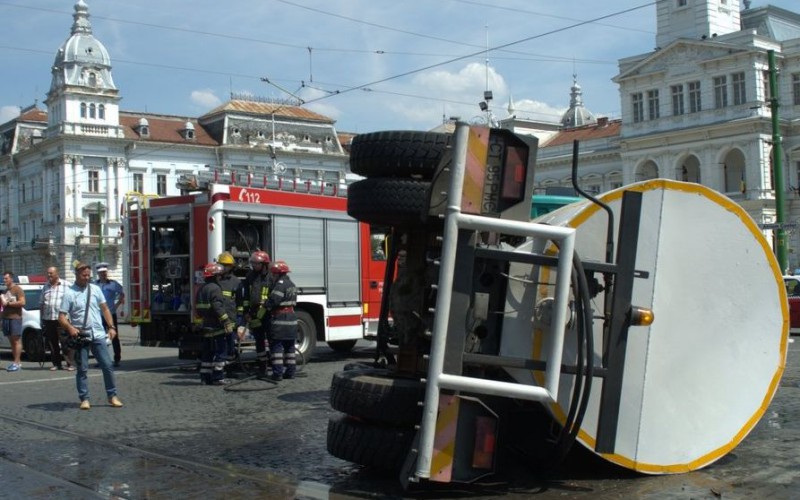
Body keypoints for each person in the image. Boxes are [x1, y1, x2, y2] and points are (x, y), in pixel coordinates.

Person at [59, 262, 123, 410]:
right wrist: (70, 328)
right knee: (82, 369)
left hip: (98, 333)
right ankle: (84, 398)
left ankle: (112, 395)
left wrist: (111, 326)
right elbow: (61, 317)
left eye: (88, 275)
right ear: (77, 274)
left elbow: (105, 308)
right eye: (84, 275)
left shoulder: (95, 289)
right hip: (81, 335)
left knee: (107, 365)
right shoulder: (69, 293)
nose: (87, 278)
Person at [195, 262, 235, 385]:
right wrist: (226, 321)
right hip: (217, 327)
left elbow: (198, 309)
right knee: (220, 352)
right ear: (215, 276)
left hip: (206, 326)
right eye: (219, 275)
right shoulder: (216, 288)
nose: (220, 277)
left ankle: (205, 377)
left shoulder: (201, 288)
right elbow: (218, 307)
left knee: (207, 353)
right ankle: (218, 377)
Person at [264, 260, 298, 381]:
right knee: (290, 347)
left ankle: (277, 373)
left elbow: (274, 300)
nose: (272, 276)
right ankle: (290, 372)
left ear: (277, 274)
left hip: (280, 319)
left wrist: (265, 304)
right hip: (292, 318)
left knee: (277, 346)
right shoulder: (292, 284)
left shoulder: (280, 285)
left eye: (273, 274)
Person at [242, 250, 272, 375]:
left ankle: (275, 366)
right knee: (259, 340)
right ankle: (262, 366)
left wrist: (267, 303)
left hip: (269, 314)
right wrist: (246, 312)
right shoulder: (250, 276)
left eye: (256, 263)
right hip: (254, 313)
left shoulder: (271, 276)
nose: (254, 265)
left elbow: (276, 295)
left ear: (264, 264)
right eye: (253, 263)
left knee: (272, 340)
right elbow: (246, 296)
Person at [41, 266, 74, 371]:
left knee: (65, 342)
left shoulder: (66, 285)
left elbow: (73, 301)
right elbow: (42, 303)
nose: (49, 275)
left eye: (51, 273)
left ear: (57, 273)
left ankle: (70, 364)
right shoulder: (45, 287)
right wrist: (42, 318)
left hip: (62, 319)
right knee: (52, 343)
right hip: (49, 319)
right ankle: (56, 364)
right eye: (48, 273)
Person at [94, 262, 125, 367]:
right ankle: (101, 360)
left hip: (111, 314)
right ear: (98, 273)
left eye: (105, 272)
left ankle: (117, 359)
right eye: (101, 272)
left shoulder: (113, 284)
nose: (103, 274)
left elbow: (122, 293)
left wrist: (117, 304)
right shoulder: (94, 285)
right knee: (99, 338)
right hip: (98, 315)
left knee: (114, 337)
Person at [215, 251, 241, 369]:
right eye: (221, 264)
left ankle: (231, 369)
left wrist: (239, 317)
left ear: (231, 266)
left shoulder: (236, 281)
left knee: (231, 345)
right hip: (218, 319)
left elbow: (240, 301)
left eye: (226, 265)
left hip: (231, 319)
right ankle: (219, 368)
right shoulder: (215, 280)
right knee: (219, 345)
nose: (223, 267)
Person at [1, 271, 25, 372]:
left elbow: (22, 302)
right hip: (6, 318)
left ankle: (17, 362)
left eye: (6, 278)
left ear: (11, 278)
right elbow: (3, 305)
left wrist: (9, 303)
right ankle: (16, 362)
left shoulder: (17, 289)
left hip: (15, 318)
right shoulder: (5, 290)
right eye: (4, 278)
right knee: (11, 341)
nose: (4, 280)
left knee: (16, 340)